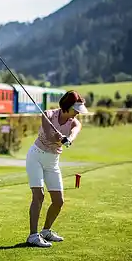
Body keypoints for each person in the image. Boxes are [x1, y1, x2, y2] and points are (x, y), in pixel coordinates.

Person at [25, 90, 88, 247]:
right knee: (38, 195)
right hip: (36, 157)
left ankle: (46, 231)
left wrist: (68, 139)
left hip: (52, 162)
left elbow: (74, 133)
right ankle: (33, 235)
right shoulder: (48, 114)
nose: (77, 114)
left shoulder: (75, 122)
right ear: (67, 106)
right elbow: (48, 135)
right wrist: (59, 137)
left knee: (58, 201)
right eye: (75, 110)